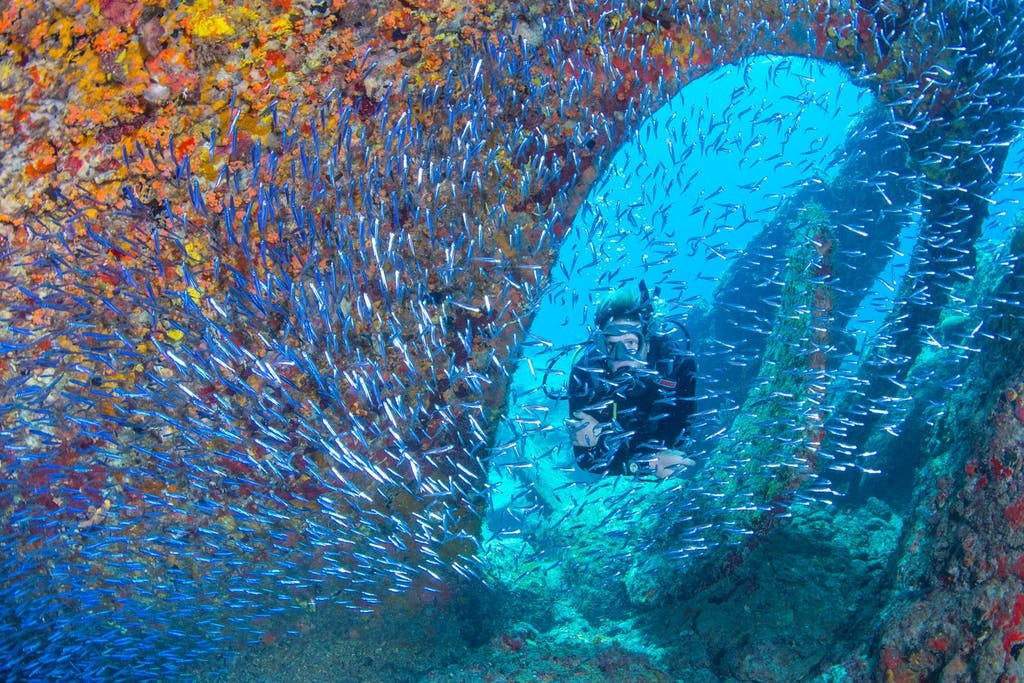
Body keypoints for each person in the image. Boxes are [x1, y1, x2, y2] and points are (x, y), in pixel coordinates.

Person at [566, 281, 697, 478]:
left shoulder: (676, 364)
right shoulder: (586, 374)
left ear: (647, 342)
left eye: (630, 343)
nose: (620, 356)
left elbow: (680, 439)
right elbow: (587, 461)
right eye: (611, 345)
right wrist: (647, 465)